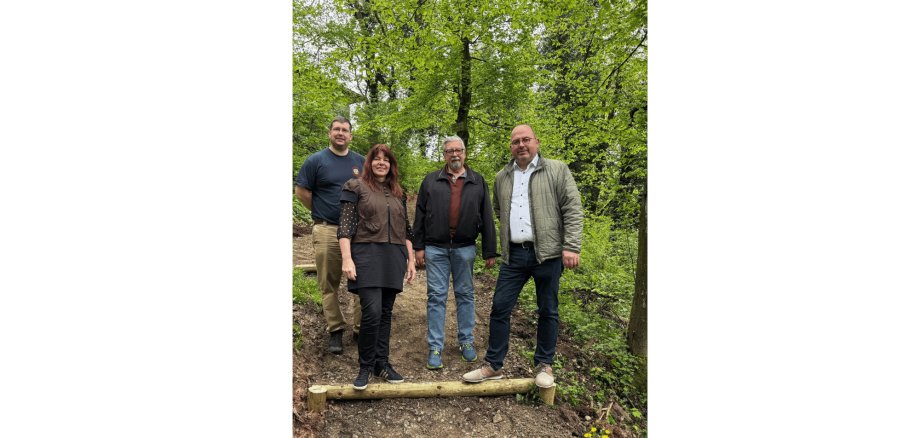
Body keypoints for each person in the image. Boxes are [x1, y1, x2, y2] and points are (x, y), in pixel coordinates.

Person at [462, 124, 584, 389]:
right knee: (499, 308)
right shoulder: (502, 177)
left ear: (536, 142)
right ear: (511, 147)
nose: (521, 145)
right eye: (516, 141)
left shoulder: (557, 169)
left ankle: (544, 365)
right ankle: (493, 365)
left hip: (548, 254)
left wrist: (571, 246)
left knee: (548, 310)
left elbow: (572, 208)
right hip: (514, 256)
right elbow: (498, 209)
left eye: (526, 140)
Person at [413, 136, 498, 370]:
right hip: (435, 248)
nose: (454, 155)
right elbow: (419, 215)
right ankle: (435, 346)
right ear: (443, 155)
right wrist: (417, 247)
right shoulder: (431, 181)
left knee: (465, 295)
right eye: (449, 151)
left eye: (458, 150)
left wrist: (490, 249)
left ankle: (466, 341)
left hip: (465, 248)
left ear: (465, 153)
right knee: (436, 297)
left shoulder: (477, 181)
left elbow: (487, 216)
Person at [338, 143, 417, 390]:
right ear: (369, 162)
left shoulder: (398, 193)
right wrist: (347, 258)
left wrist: (411, 259)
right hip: (366, 255)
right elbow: (345, 227)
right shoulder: (355, 187)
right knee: (371, 313)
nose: (381, 163)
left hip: (393, 256)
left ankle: (381, 363)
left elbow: (406, 230)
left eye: (386, 160)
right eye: (377, 159)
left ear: (391, 165)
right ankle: (365, 367)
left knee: (385, 313)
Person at [295, 116, 364, 354]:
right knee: (329, 283)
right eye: (337, 129)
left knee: (361, 281)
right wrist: (320, 209)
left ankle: (360, 329)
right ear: (329, 133)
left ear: (351, 135)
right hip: (327, 229)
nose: (341, 133)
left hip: (358, 231)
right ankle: (335, 329)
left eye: (345, 130)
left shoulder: (361, 162)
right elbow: (301, 191)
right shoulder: (316, 161)